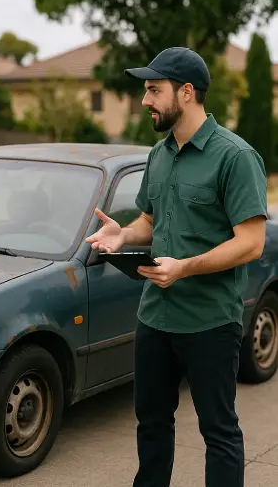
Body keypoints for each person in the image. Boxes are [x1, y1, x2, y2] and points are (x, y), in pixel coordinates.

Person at [86, 47, 267, 487]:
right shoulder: (159, 154)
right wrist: (124, 235)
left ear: (187, 93)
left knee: (218, 432)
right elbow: (151, 219)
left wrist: (184, 268)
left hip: (209, 321)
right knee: (151, 424)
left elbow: (251, 243)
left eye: (153, 90)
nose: (145, 100)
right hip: (155, 318)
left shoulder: (235, 157)